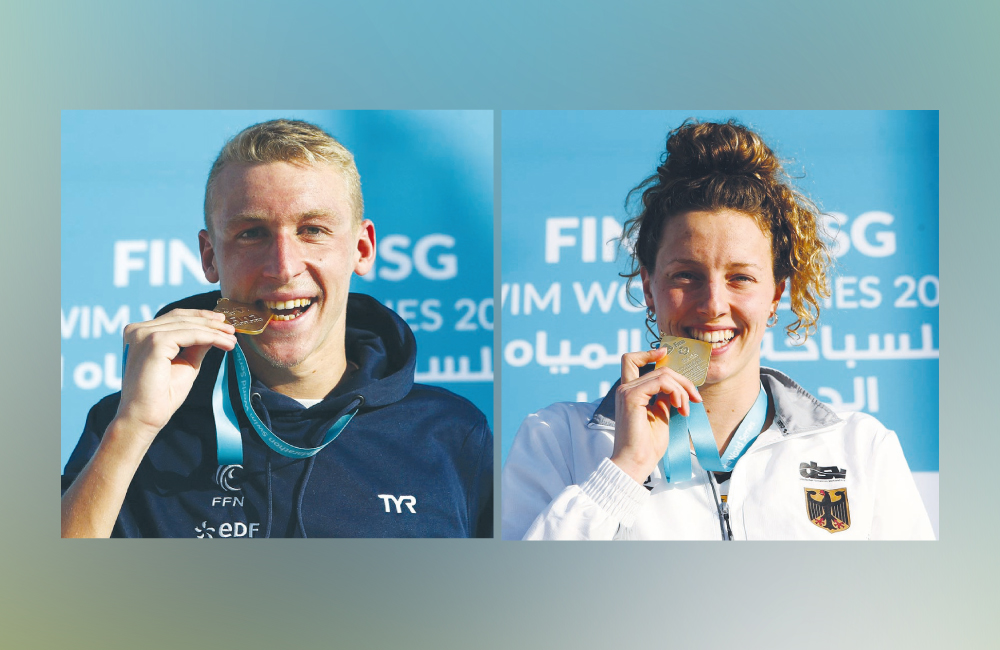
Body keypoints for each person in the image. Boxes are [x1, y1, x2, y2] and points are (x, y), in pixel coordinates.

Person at [502, 120, 934, 540]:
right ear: (649, 288)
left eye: (740, 278)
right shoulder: (557, 440)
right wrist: (624, 469)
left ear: (776, 295)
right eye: (686, 275)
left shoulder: (859, 448)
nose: (712, 304)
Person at [62, 119, 493, 538]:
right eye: (252, 234)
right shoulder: (127, 426)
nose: (283, 267)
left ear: (361, 248)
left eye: (313, 230)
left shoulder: (451, 433)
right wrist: (133, 428)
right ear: (210, 257)